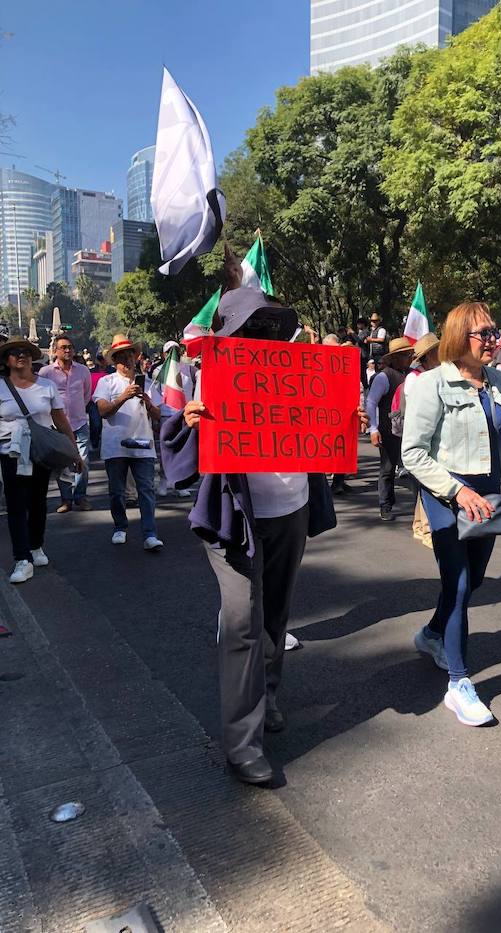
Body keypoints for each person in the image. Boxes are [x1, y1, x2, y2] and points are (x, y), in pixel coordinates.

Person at [161, 281, 355, 786]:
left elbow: (325, 432)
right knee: (244, 620)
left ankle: (267, 695)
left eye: (271, 324)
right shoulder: (212, 373)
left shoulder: (303, 371)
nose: (264, 333)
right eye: (253, 325)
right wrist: (191, 419)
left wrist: (342, 422)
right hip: (234, 519)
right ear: (232, 330)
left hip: (291, 508)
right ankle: (242, 745)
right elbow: (179, 455)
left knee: (276, 613)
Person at [402, 303, 501, 726]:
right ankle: (459, 685)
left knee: (474, 581)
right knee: (458, 584)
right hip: (447, 497)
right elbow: (414, 454)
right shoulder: (431, 385)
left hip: (489, 497)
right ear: (459, 337)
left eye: (494, 332)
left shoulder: (496, 381)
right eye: (485, 334)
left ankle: (432, 634)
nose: (494, 340)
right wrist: (457, 492)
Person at [0, 337, 81, 583]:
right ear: (6, 360)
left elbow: (61, 420)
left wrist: (74, 452)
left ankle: (36, 546)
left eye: (25, 352)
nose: (21, 356)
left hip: (41, 451)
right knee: (16, 504)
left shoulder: (46, 386)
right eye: (15, 353)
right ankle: (22, 559)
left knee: (37, 502)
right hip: (11, 452)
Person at [93, 334, 163, 551]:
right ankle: (120, 527)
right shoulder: (106, 382)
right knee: (117, 491)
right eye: (120, 357)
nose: (126, 360)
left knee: (146, 490)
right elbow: (103, 411)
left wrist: (149, 403)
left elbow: (159, 415)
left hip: (143, 444)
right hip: (116, 445)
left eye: (129, 355)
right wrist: (123, 397)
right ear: (114, 361)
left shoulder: (148, 382)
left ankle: (150, 534)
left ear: (136, 356)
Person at [38, 333, 92, 512]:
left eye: (70, 347)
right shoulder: (45, 373)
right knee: (62, 463)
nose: (67, 350)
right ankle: (66, 500)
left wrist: (76, 410)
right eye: (63, 347)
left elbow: (86, 395)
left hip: (79, 423)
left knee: (82, 461)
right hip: (57, 426)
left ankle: (80, 497)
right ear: (55, 351)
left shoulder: (83, 370)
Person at [365, 337, 414, 521]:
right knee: (387, 467)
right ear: (394, 358)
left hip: (409, 428)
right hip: (389, 429)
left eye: (410, 355)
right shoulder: (384, 376)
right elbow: (371, 402)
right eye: (405, 355)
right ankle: (385, 505)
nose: (409, 358)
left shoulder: (411, 374)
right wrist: (373, 429)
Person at [402, 333, 441, 546]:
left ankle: (419, 524)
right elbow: (415, 408)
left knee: (425, 483)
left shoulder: (432, 374)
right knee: (428, 481)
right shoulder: (415, 378)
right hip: (421, 435)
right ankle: (426, 529)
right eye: (436, 351)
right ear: (428, 356)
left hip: (432, 434)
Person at [149, 340, 195, 498]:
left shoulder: (190, 369)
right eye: (169, 351)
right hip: (166, 415)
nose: (173, 354)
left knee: (183, 450)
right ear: (164, 354)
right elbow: (154, 396)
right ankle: (163, 480)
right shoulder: (158, 372)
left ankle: (180, 483)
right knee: (165, 451)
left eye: (176, 350)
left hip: (185, 415)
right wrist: (154, 417)